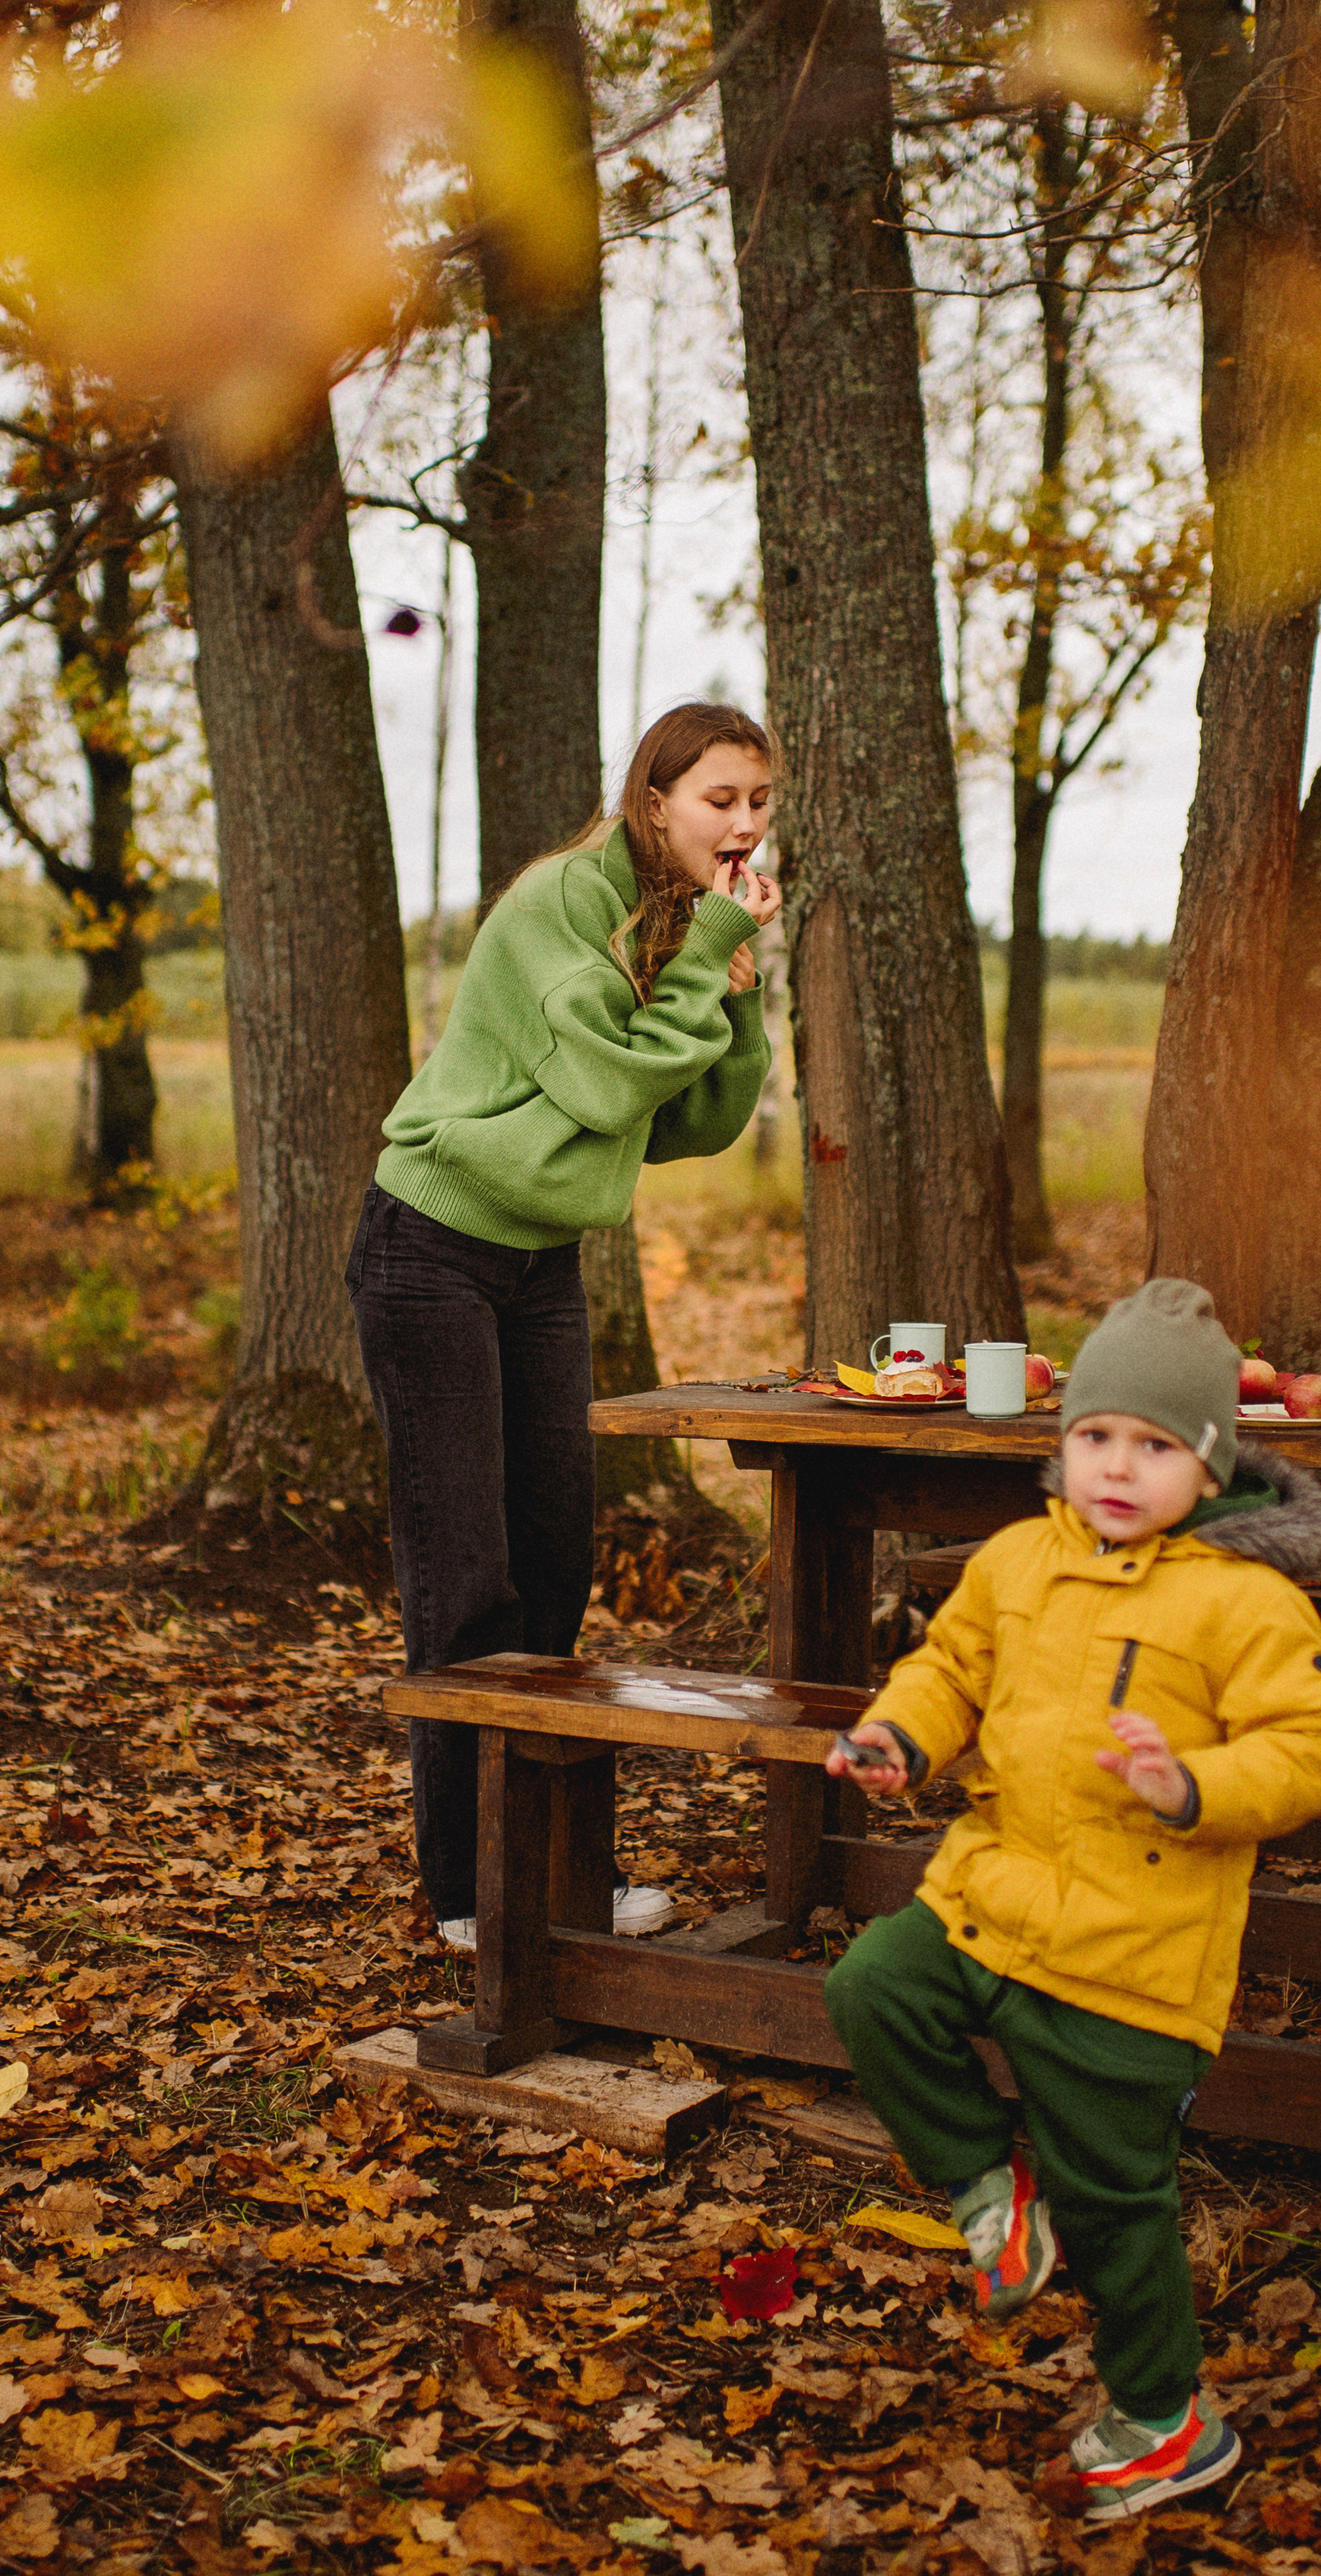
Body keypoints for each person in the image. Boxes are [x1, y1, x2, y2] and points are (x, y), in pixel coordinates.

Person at [822, 1278, 1321, 2528]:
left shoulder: (1245, 1600)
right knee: (871, 1984)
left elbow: (1316, 1745)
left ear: (1210, 1465)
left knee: (1118, 2204)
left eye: (1156, 1447)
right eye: (1097, 1436)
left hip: (1136, 1953)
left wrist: (1193, 1784)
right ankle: (989, 2194)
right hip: (992, 1896)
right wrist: (901, 1737)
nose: (1119, 1467)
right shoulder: (1020, 1560)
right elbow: (948, 1668)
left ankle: (1168, 2417)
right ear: (1063, 1446)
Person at [350, 702, 783, 1950]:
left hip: (539, 1263)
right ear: (654, 803)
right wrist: (705, 962)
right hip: (431, 1246)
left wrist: (737, 998)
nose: (745, 825)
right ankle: (473, 1895)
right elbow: (599, 1080)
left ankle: (554, 1868)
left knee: (554, 1568)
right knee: (466, 1582)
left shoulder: (680, 925)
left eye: (759, 801)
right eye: (720, 800)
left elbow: (687, 1122)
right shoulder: (557, 907)